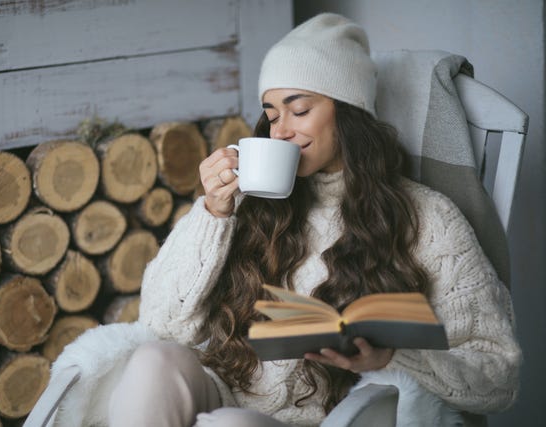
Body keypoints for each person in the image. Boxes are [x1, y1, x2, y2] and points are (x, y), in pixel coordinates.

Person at [107, 13, 521, 427]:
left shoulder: (428, 219)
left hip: (330, 419)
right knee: (153, 360)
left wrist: (392, 357)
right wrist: (213, 213)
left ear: (348, 112)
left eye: (299, 110)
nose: (281, 131)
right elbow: (159, 323)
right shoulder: (250, 205)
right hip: (224, 393)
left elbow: (499, 377)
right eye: (271, 115)